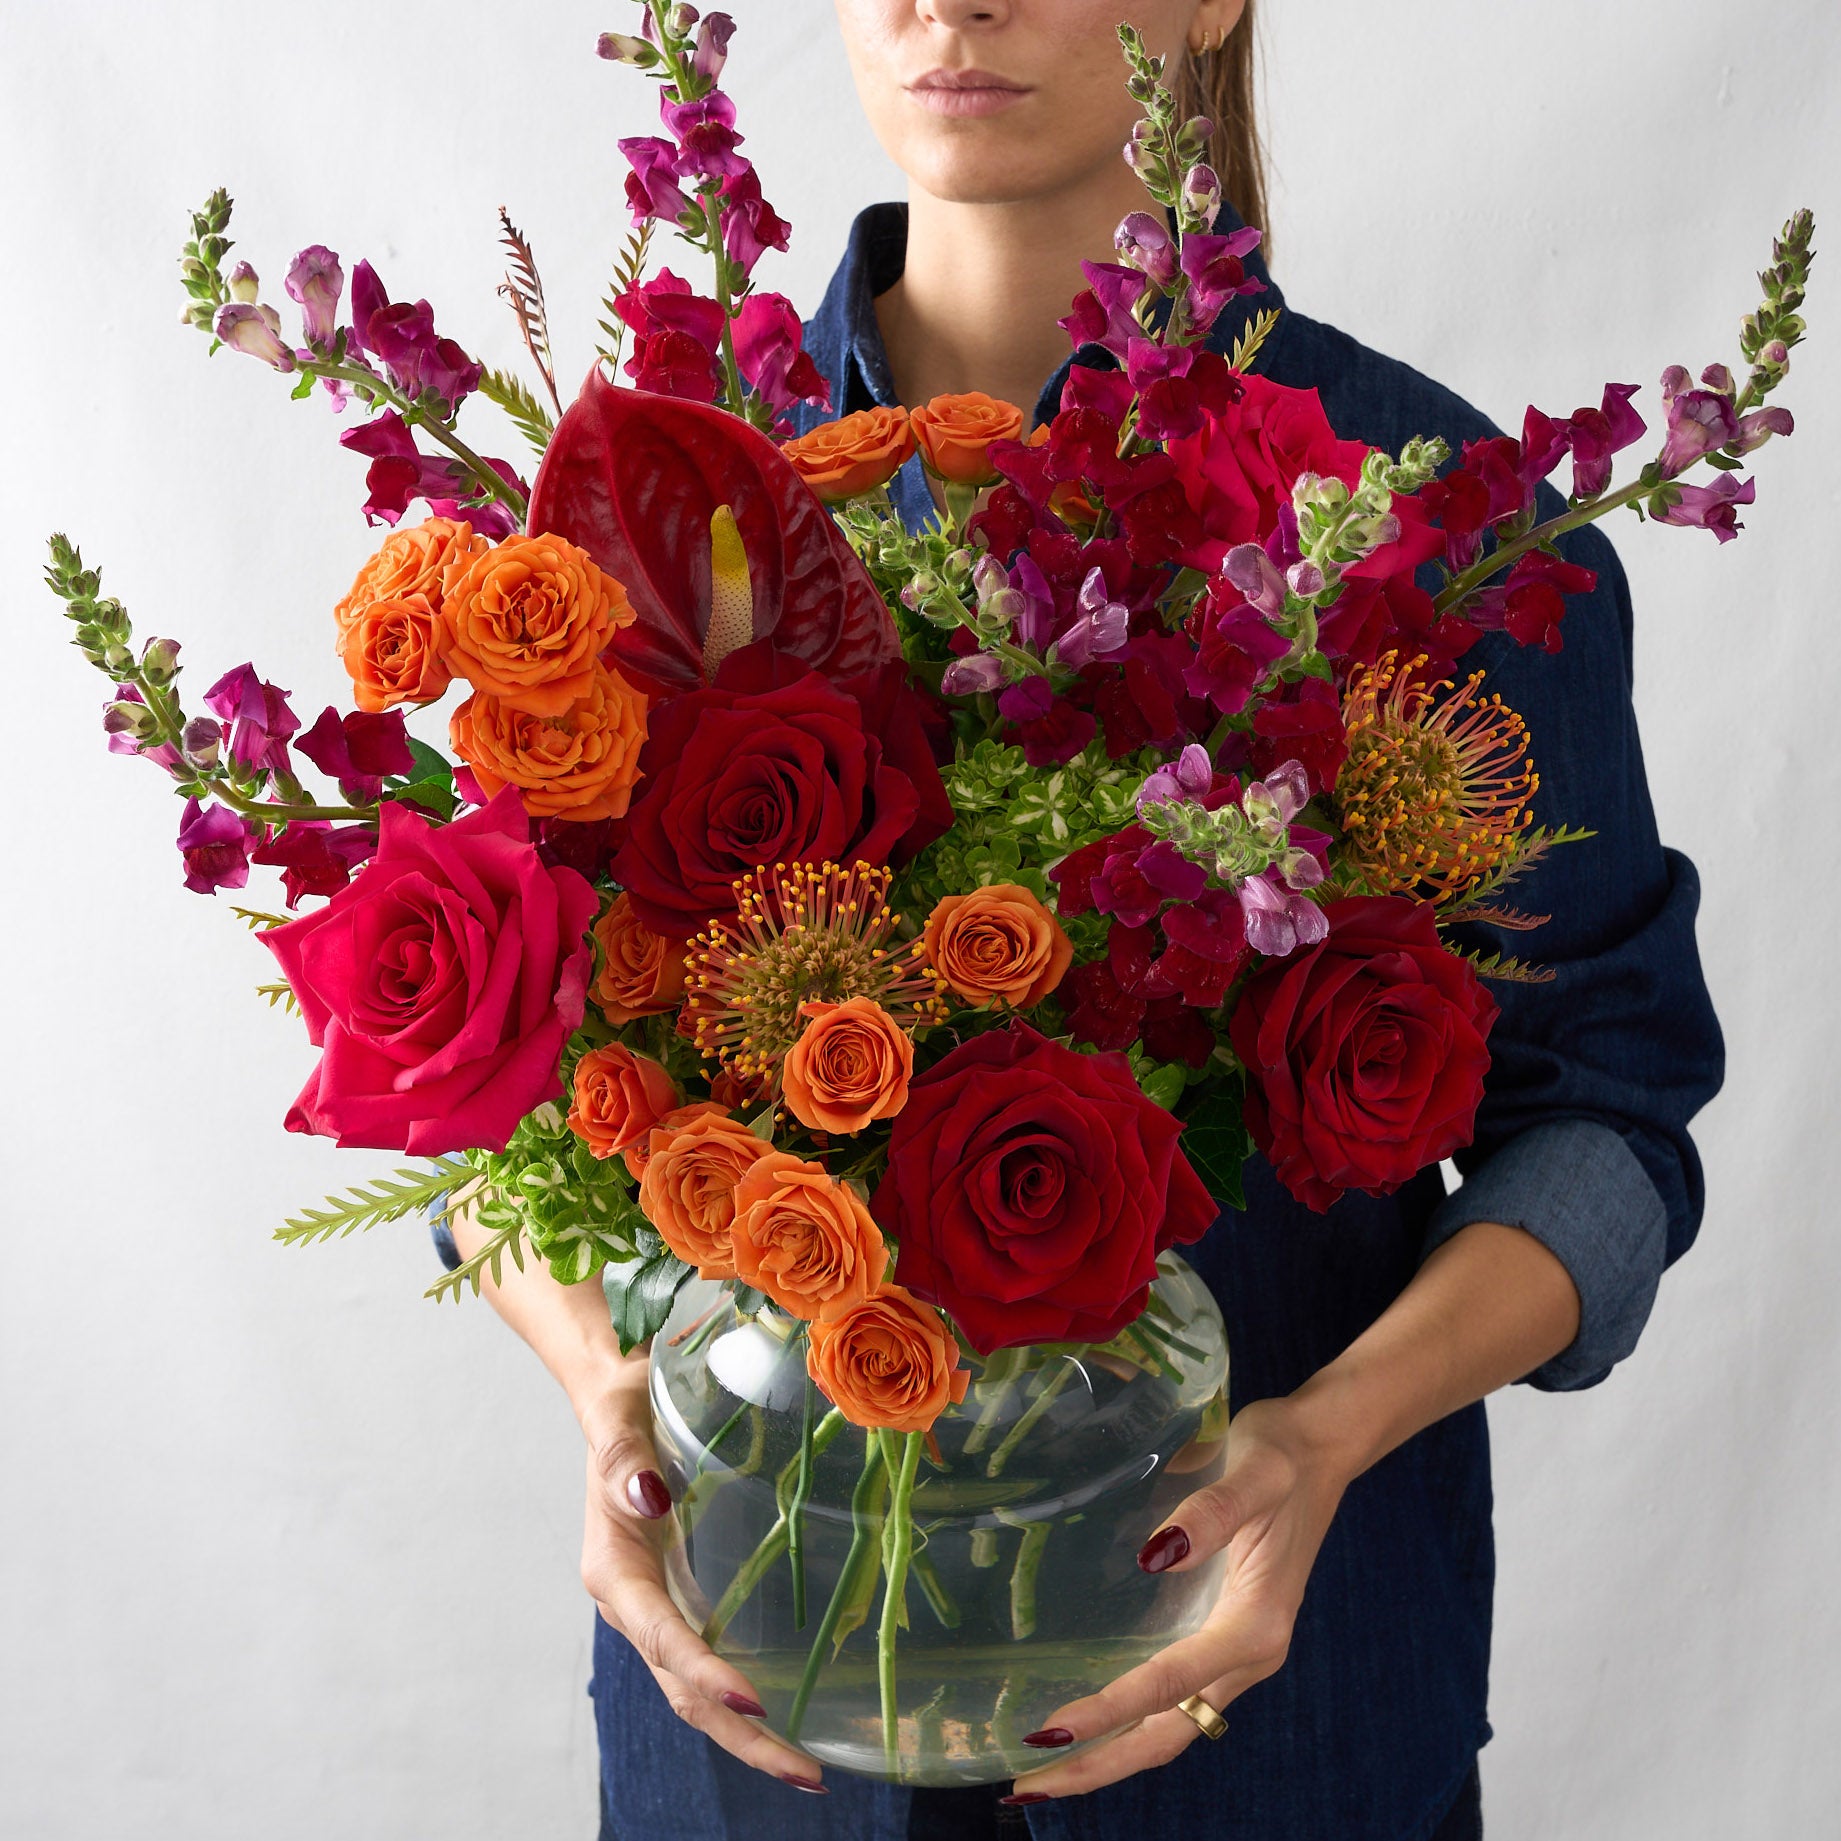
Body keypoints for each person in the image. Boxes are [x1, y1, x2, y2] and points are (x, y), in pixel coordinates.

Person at [443, 3, 1724, 1835]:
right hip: (760, 1727)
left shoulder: (1444, 539)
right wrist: (607, 1382)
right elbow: (489, 1066)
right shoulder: (654, 510)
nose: (948, 3)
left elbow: (1606, 1119)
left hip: (1278, 1742)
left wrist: (1326, 1432)